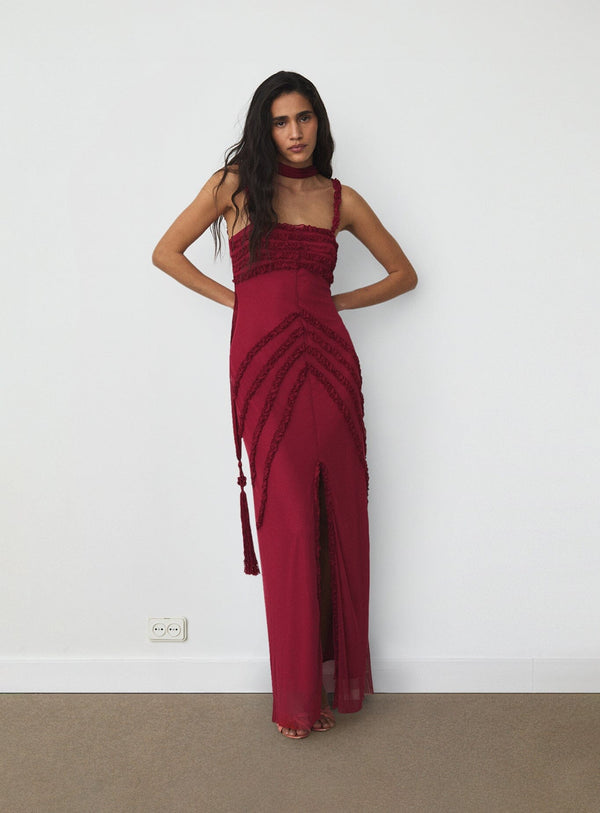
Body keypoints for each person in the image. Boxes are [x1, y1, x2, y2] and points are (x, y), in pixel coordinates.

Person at [152, 70, 417, 740]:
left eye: (304, 118)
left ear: (319, 123)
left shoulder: (340, 199)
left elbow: (404, 273)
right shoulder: (235, 186)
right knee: (290, 522)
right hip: (264, 364)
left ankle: (334, 680)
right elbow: (166, 253)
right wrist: (238, 301)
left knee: (341, 514)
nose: (295, 132)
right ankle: (296, 697)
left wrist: (335, 303)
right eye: (280, 121)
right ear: (263, 128)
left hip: (330, 363)